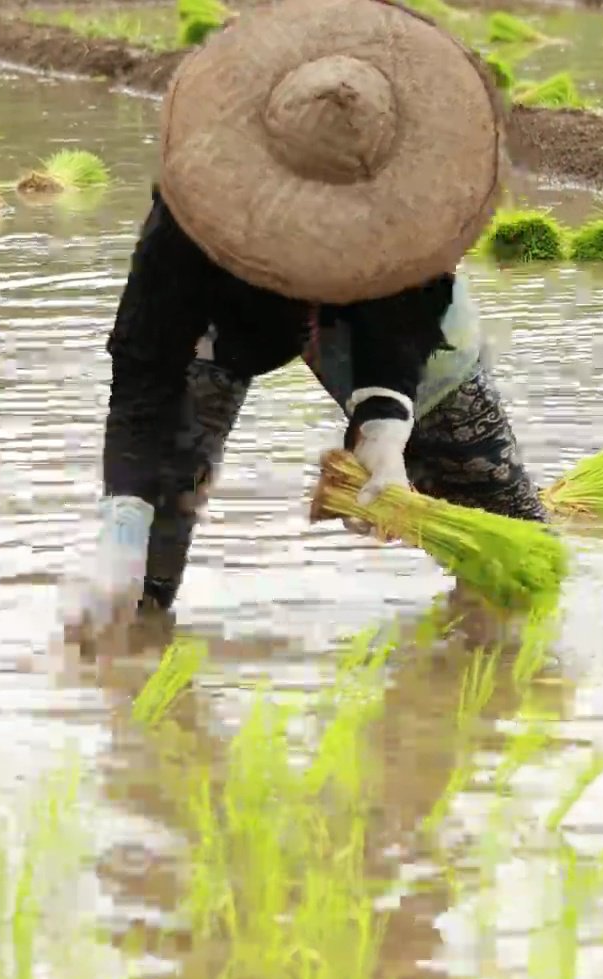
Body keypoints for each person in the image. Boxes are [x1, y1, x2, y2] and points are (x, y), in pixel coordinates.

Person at [63, 0, 547, 642]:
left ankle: (478, 669)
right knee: (136, 589)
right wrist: (122, 523)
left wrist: (383, 427)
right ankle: (138, 665)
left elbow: (407, 318)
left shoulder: (416, 205)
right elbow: (145, 368)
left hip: (380, 310)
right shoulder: (198, 212)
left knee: (515, 545)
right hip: (233, 316)